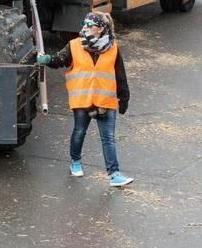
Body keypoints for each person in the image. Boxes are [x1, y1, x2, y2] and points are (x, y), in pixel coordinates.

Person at [37, 11, 133, 187]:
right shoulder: (74, 45)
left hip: (105, 101)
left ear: (100, 29)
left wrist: (124, 98)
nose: (85, 28)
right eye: (84, 23)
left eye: (89, 25)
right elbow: (60, 60)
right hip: (82, 100)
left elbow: (121, 75)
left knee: (109, 138)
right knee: (79, 132)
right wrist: (47, 59)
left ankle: (114, 174)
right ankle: (75, 162)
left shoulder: (113, 48)